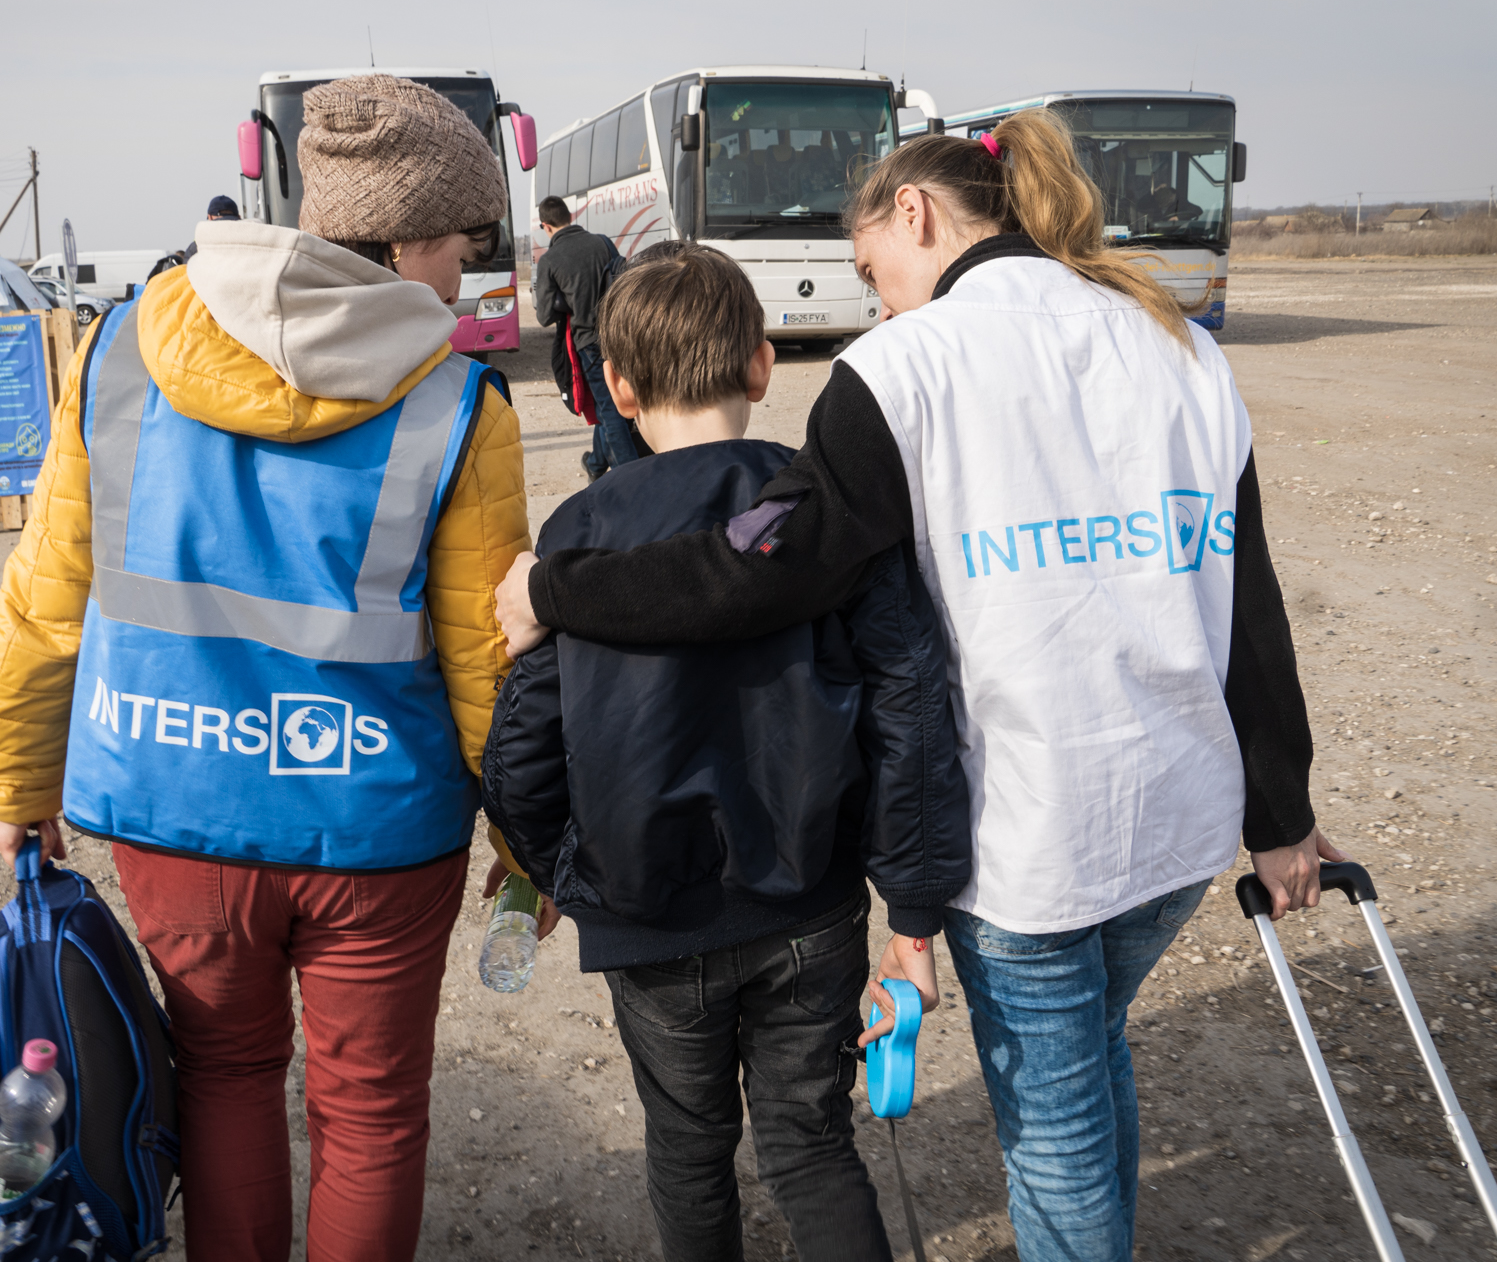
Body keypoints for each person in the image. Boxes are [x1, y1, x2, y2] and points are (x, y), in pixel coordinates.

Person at [496, 112, 1338, 1262]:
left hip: (1034, 840)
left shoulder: (902, 369)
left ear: (915, 214)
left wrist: (556, 591)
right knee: (1092, 1057)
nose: (876, 299)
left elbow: (759, 566)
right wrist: (1279, 817)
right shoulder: (1178, 342)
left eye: (867, 269)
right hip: (1179, 821)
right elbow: (1248, 600)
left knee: (1053, 1128)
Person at [0, 73, 529, 1262]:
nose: (462, 276)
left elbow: (46, 595)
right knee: (370, 1112)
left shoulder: (121, 352)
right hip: (376, 828)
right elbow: (488, 660)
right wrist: (529, 832)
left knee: (221, 1077)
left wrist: (15, 779)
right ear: (401, 240)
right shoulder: (454, 406)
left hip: (175, 810)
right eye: (459, 244)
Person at [482, 244, 969, 1262]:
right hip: (810, 904)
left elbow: (523, 743)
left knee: (686, 1147)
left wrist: (561, 870)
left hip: (647, 918)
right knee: (811, 1145)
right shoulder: (819, 512)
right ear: (760, 363)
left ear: (617, 389)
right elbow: (905, 703)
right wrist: (907, 896)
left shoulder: (577, 533)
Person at [532, 196, 636, 479]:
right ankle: (596, 464)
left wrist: (565, 301)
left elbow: (544, 316)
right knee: (609, 403)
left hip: (589, 343)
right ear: (569, 216)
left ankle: (630, 477)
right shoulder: (602, 242)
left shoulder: (550, 260)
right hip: (620, 335)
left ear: (546, 226)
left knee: (610, 410)